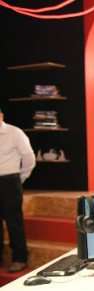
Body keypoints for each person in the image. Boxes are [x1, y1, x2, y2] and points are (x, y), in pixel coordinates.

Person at [0, 107, 35, 272]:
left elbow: (29, 158)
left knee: (14, 222)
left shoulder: (15, 132)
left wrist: (20, 177)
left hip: (9, 181)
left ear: (1, 115)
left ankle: (20, 258)